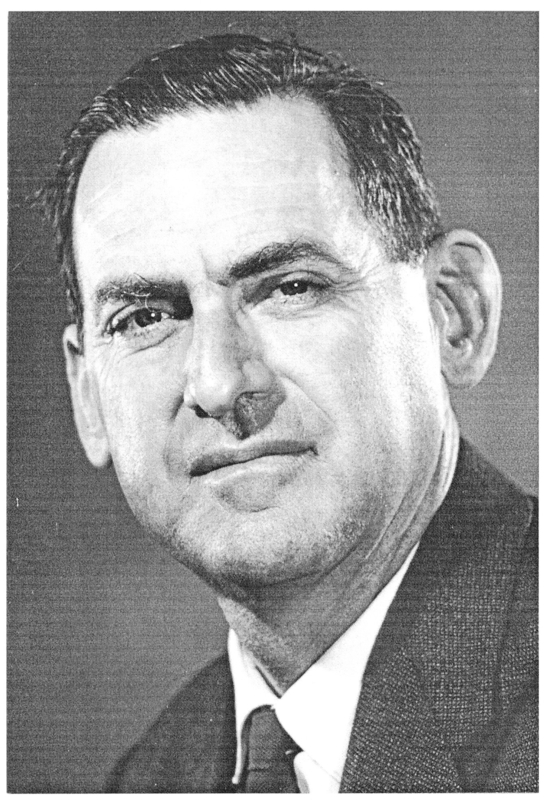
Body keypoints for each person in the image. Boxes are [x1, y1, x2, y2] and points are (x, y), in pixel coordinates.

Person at [40, 34, 537, 792]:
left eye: (290, 287)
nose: (217, 383)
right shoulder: (151, 779)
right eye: (146, 318)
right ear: (88, 396)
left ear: (453, 315)